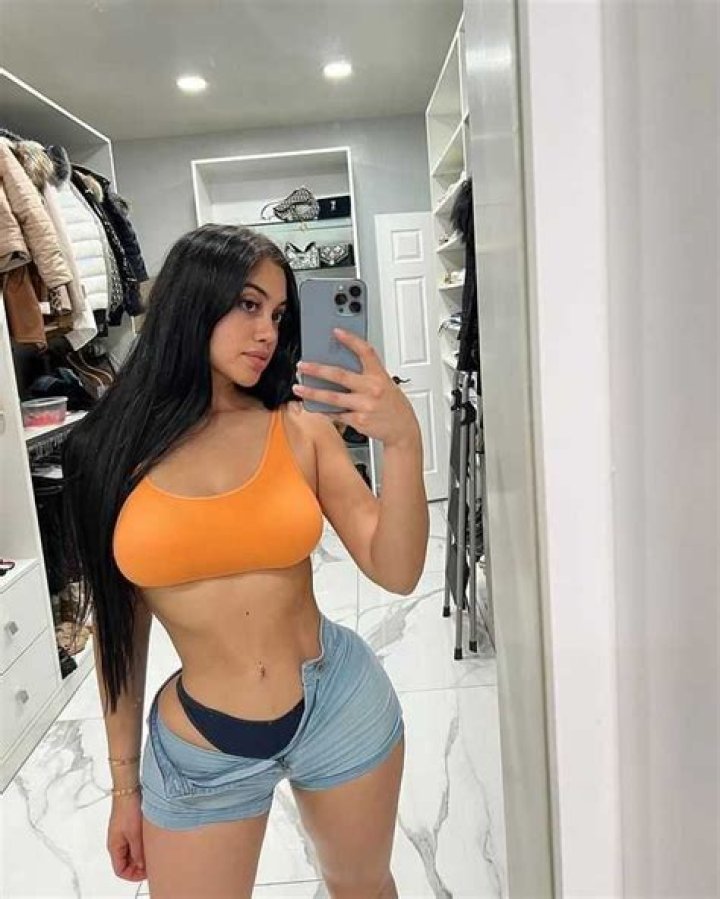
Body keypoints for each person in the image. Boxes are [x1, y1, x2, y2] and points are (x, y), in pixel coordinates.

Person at [63, 224, 429, 899]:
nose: (266, 332)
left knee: (365, 890)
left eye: (279, 314)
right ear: (191, 302)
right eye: (248, 305)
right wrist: (124, 788)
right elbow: (120, 637)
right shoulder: (104, 456)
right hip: (203, 747)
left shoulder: (299, 426)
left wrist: (403, 442)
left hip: (337, 703)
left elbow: (397, 570)